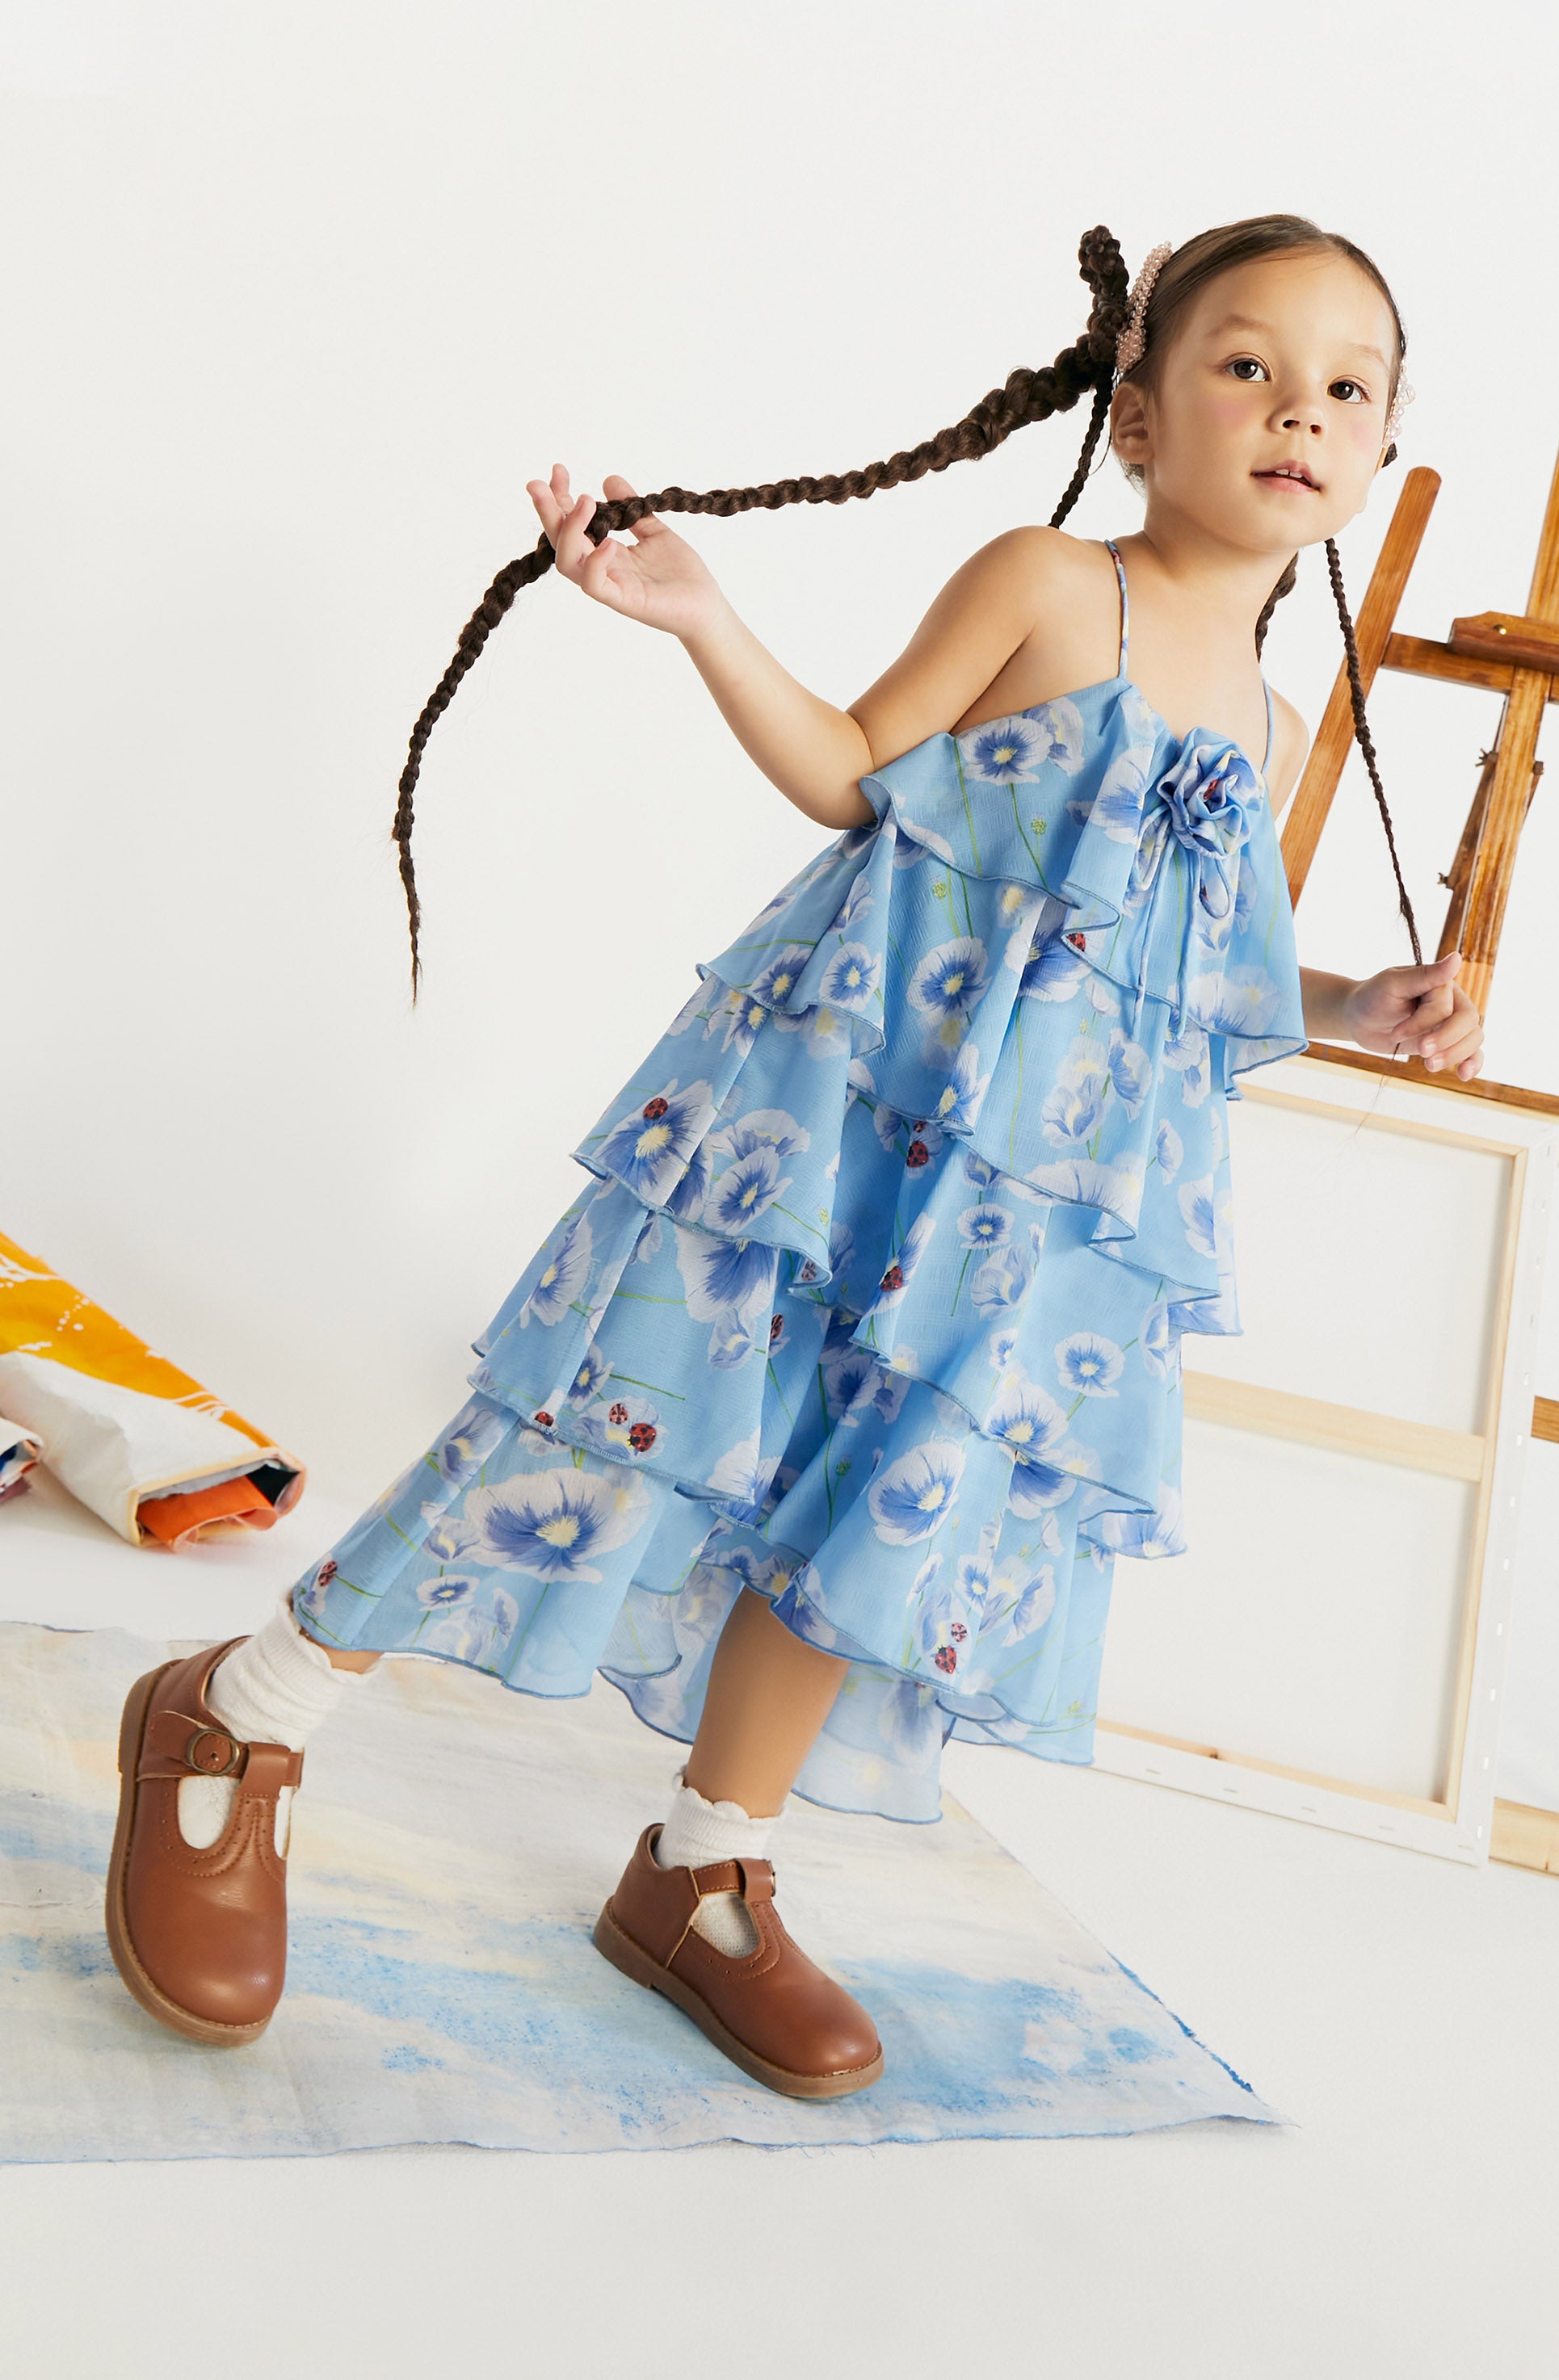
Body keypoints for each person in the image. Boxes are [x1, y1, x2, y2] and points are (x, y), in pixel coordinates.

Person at [103, 215, 1485, 2099]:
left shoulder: (1266, 718)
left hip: (1021, 1205)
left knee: (876, 1505)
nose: (1296, 412)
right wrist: (700, 619)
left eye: (1345, 387)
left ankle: (704, 1862)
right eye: (1247, 362)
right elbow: (854, 768)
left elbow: (1198, 970)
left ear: (1382, 459)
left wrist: (1352, 1002)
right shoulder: (1049, 581)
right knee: (609, 1407)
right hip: (831, 1114)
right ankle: (230, 1712)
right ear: (1140, 409)